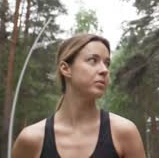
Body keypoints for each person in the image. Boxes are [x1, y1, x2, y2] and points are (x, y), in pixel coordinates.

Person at [12, 34, 146, 158]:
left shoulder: (124, 133)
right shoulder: (31, 139)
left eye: (107, 63)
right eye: (93, 60)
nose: (104, 70)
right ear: (65, 69)